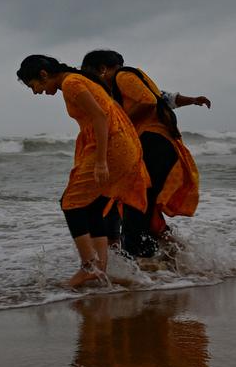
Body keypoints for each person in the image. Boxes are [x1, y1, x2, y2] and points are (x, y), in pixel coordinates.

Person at [17, 55, 150, 287]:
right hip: (121, 146)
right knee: (95, 205)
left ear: (43, 75)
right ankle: (100, 270)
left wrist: (100, 162)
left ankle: (89, 266)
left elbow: (99, 117)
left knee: (70, 202)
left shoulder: (71, 84)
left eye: (34, 86)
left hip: (111, 147)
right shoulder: (76, 80)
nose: (36, 92)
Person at [81, 50, 202, 259]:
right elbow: (164, 98)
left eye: (90, 75)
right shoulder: (121, 86)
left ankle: (147, 264)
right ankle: (181, 259)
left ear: (102, 69)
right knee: (143, 206)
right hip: (155, 145)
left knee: (137, 206)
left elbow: (148, 101)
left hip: (154, 144)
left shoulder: (122, 76)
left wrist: (119, 123)